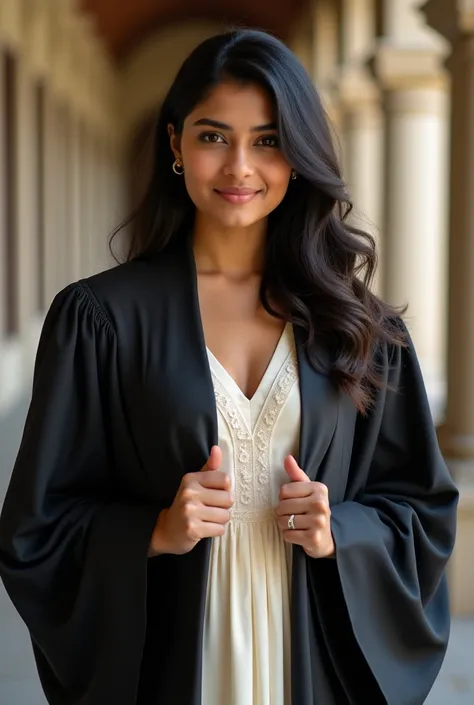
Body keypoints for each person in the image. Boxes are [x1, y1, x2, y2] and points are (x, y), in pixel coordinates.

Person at [0, 28, 458, 705]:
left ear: (299, 155)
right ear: (176, 145)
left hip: (312, 666)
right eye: (214, 136)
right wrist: (155, 530)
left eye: (268, 140)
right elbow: (36, 527)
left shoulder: (363, 328)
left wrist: (342, 532)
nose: (240, 166)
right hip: (175, 666)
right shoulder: (98, 320)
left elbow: (424, 511)